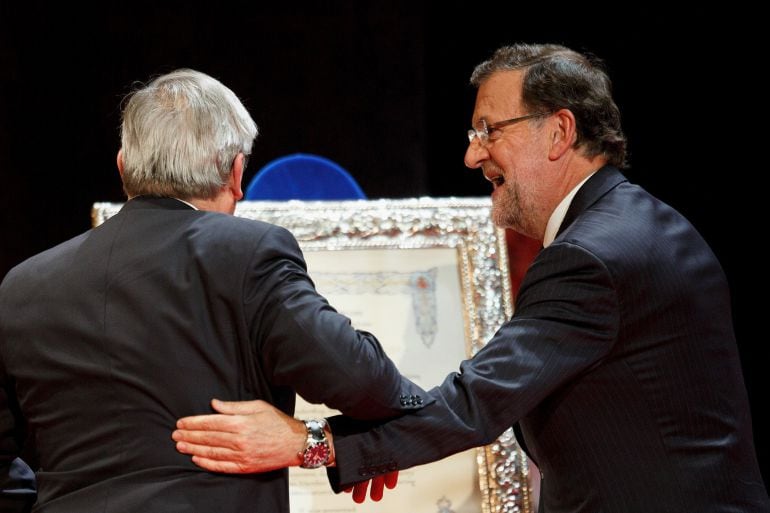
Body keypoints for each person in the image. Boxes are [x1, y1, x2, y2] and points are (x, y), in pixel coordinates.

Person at [172, 44, 770, 512]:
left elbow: (478, 402)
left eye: (491, 130)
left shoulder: (593, 255)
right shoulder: (639, 223)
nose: (472, 155)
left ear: (560, 132)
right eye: (472, 133)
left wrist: (311, 443)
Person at [0, 68, 429, 512]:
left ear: (123, 167)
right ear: (236, 172)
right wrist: (342, 440)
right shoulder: (249, 254)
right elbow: (364, 381)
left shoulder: (22, 286)